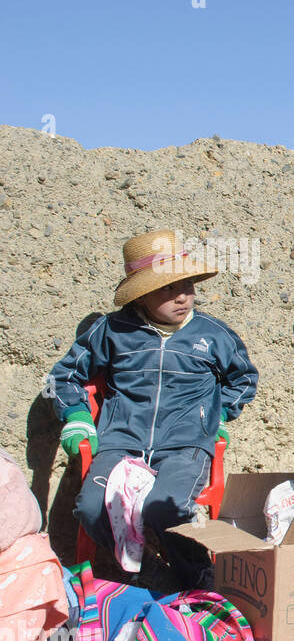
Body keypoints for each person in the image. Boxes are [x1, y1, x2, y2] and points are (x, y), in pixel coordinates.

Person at [48, 230, 258, 588]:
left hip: (185, 445)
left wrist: (217, 415)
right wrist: (77, 418)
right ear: (142, 295)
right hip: (121, 443)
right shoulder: (112, 331)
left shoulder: (215, 335)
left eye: (188, 285)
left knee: (167, 508)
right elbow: (63, 376)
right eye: (167, 288)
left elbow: (244, 379)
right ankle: (147, 569)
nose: (183, 297)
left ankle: (197, 576)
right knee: (91, 507)